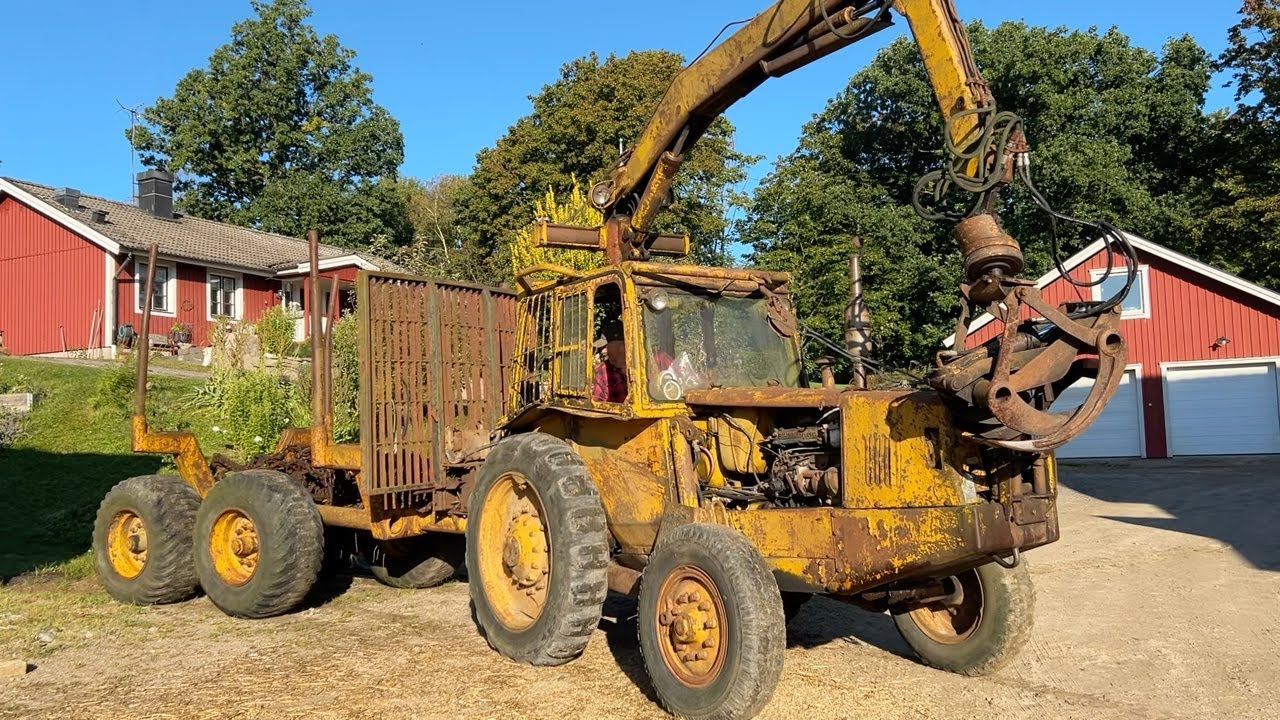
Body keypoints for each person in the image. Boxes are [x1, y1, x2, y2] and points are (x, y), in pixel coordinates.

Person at [593, 333, 628, 403]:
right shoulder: (601, 372)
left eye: (606, 346)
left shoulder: (644, 365)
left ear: (622, 345)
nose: (603, 351)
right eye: (602, 347)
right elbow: (597, 403)